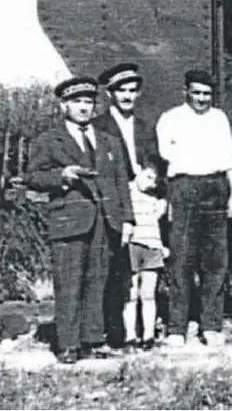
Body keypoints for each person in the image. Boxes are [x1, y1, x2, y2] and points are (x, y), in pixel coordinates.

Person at [25, 78, 134, 364]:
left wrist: (128, 220)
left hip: (104, 221)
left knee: (97, 282)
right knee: (69, 282)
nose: (84, 108)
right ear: (64, 105)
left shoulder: (108, 140)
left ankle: (93, 340)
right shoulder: (49, 140)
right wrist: (62, 176)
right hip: (68, 220)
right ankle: (69, 344)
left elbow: (121, 181)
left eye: (89, 102)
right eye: (78, 102)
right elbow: (33, 177)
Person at [156, 70, 232, 347]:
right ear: (186, 92)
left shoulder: (219, 118)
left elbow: (230, 159)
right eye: (197, 93)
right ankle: (177, 328)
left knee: (215, 261)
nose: (202, 99)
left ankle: (211, 326)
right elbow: (164, 162)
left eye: (207, 94)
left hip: (216, 186)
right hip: (184, 188)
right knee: (181, 260)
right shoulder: (170, 119)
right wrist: (170, 199)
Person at [95, 62, 160, 348]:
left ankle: (138, 333)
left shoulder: (144, 126)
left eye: (132, 91)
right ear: (110, 94)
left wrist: (155, 179)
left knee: (137, 272)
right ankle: (114, 331)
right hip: (115, 202)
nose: (127, 97)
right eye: (121, 91)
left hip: (143, 201)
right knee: (115, 269)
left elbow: (157, 161)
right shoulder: (99, 127)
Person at [121, 163, 166, 353]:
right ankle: (130, 336)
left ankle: (148, 336)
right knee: (130, 295)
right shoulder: (126, 192)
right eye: (148, 177)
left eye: (154, 180)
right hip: (133, 245)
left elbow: (158, 221)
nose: (151, 183)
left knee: (148, 294)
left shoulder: (157, 198)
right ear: (138, 171)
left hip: (152, 245)